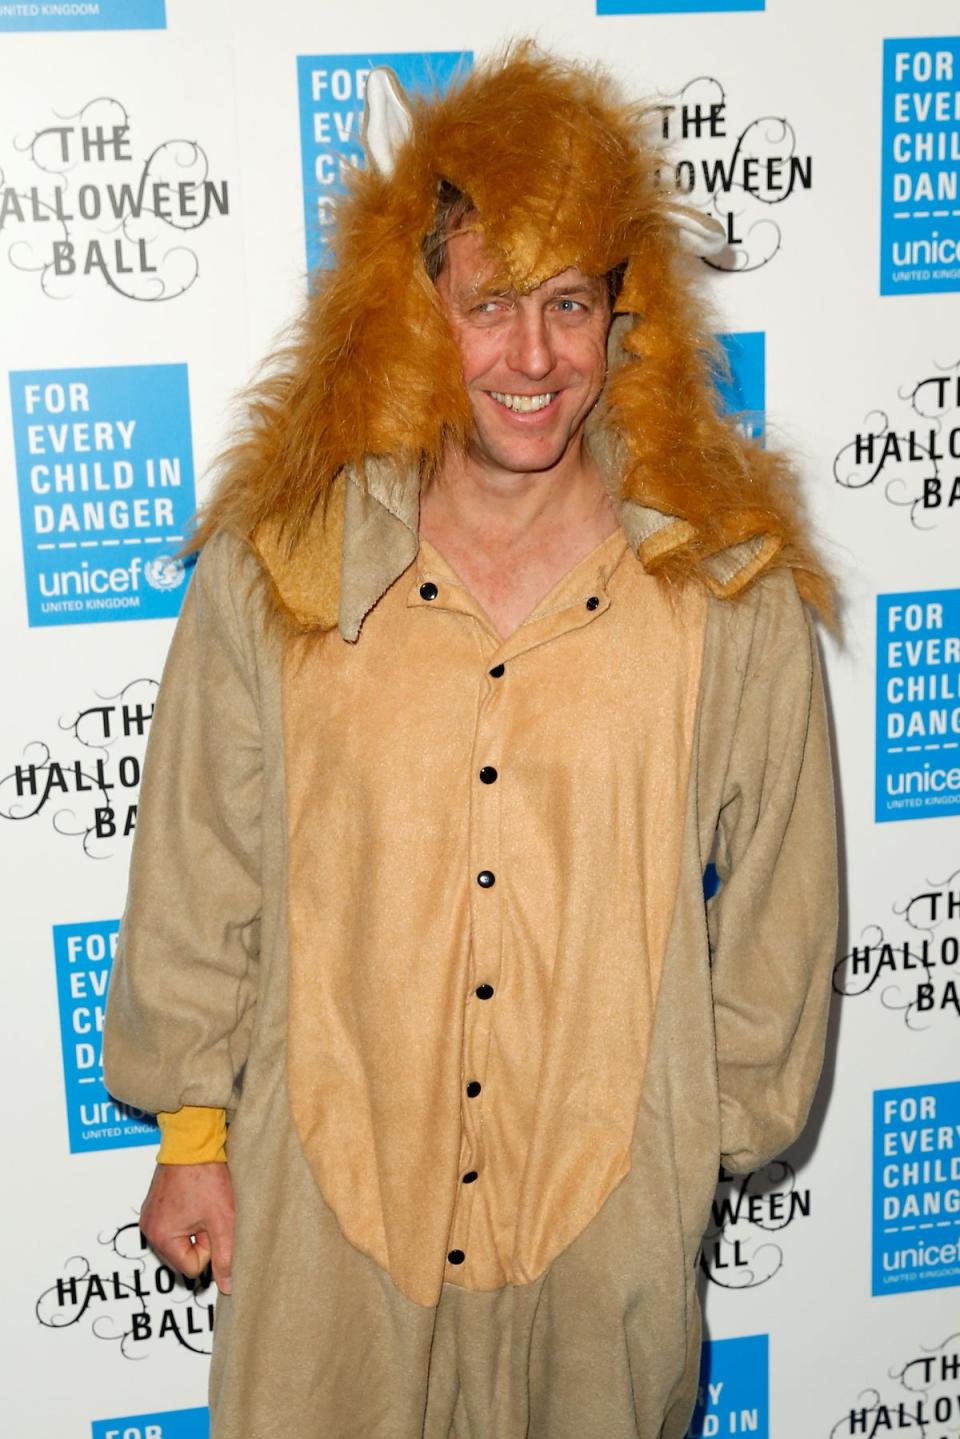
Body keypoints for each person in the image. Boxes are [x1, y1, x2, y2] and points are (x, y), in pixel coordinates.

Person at [104, 45, 839, 1439]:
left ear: (627, 317)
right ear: (416, 306)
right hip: (330, 1231)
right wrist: (192, 1137)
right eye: (490, 303)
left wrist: (695, 1136)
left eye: (571, 303)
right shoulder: (289, 566)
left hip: (601, 1244)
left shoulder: (723, 589)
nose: (535, 357)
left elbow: (784, 911)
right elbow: (202, 862)